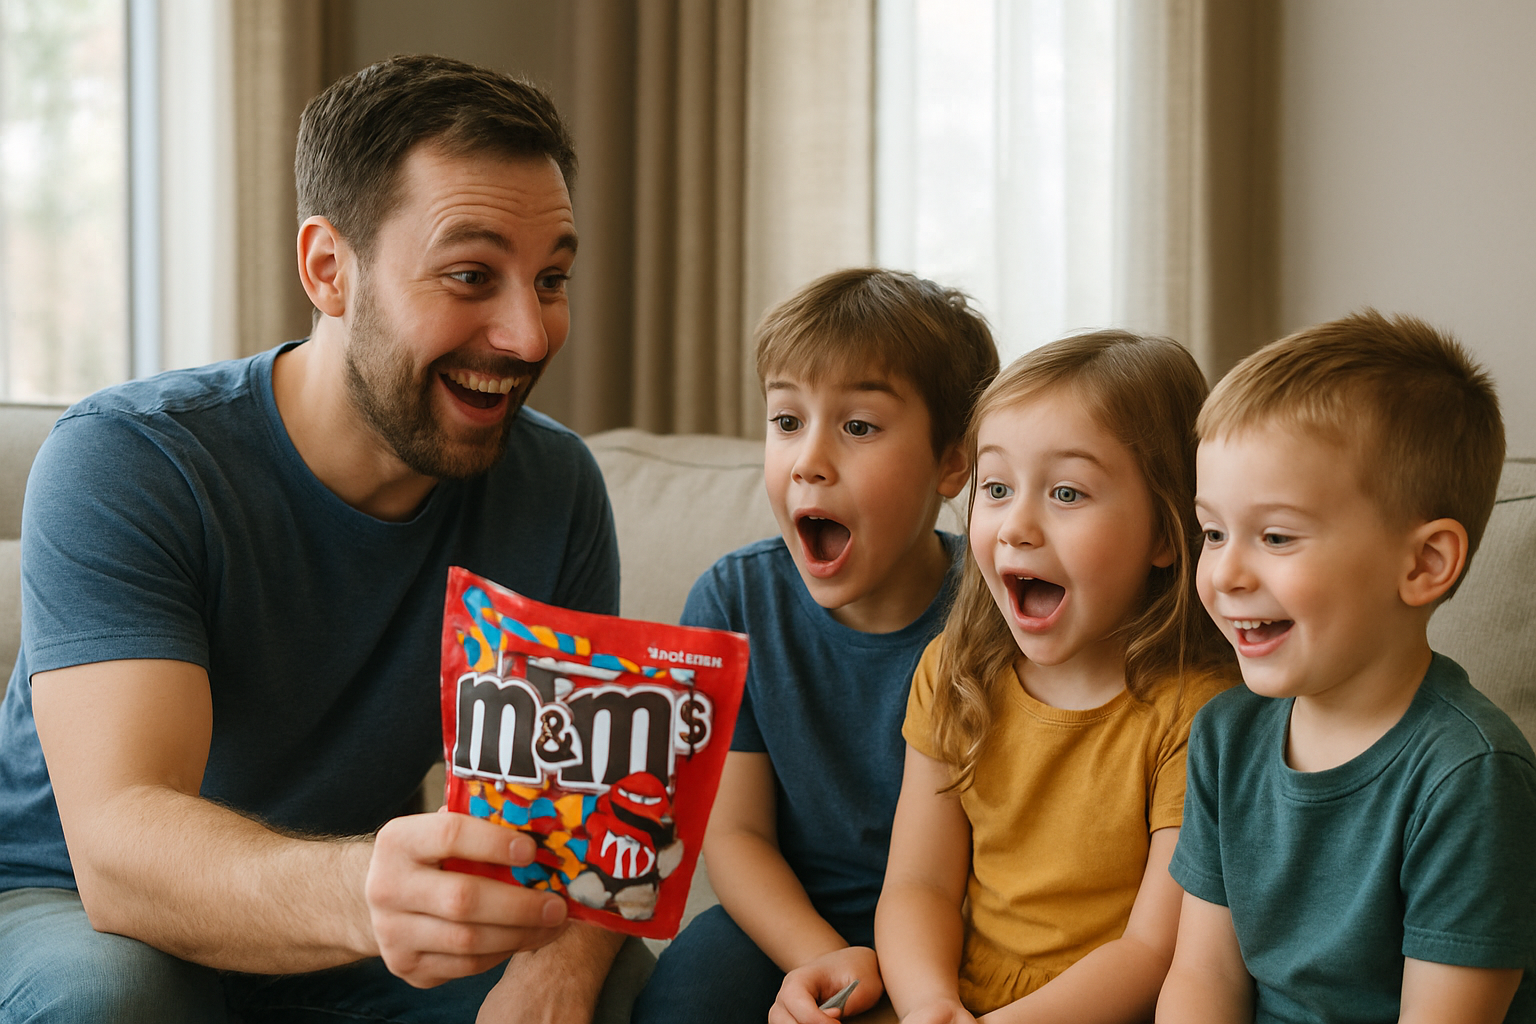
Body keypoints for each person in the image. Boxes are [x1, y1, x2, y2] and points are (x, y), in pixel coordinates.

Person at [0, 55, 650, 1023]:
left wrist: (557, 970)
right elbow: (120, 851)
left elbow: (585, 822)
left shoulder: (553, 489)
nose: (527, 333)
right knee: (112, 1002)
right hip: (82, 909)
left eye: (551, 277)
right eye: (471, 275)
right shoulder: (130, 461)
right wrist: (367, 893)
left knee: (622, 977)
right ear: (328, 269)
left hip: (349, 934)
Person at [629, 268, 999, 1024]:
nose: (808, 460)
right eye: (787, 421)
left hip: (963, 929)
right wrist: (820, 956)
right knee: (682, 999)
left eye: (858, 426)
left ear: (953, 460)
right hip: (786, 916)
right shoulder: (733, 602)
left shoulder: (996, 610)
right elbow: (732, 833)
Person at [1157, 311, 1536, 1022]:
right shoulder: (1225, 735)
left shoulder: (1470, 775)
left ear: (1424, 563)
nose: (1225, 572)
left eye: (1275, 535)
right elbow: (1201, 977)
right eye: (1213, 531)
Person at [872, 332, 1235, 1023]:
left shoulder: (1201, 713)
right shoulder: (956, 670)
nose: (1015, 527)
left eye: (1067, 492)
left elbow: (1150, 952)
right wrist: (928, 1005)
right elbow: (917, 884)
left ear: (1166, 532)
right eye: (998, 488)